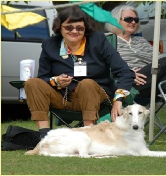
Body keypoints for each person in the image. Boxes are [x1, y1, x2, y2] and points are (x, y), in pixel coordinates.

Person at [24, 5, 135, 155]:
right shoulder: (50, 44)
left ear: (85, 28)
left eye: (79, 28)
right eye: (69, 27)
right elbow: (43, 77)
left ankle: (90, 138)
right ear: (59, 27)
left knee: (87, 84)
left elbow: (124, 71)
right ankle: (44, 140)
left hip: (95, 95)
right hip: (62, 96)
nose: (74, 31)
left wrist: (118, 100)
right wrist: (56, 81)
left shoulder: (98, 40)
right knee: (32, 83)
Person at [105, 5, 166, 119]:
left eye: (136, 20)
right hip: (127, 84)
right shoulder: (107, 40)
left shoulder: (140, 41)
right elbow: (102, 65)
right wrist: (129, 73)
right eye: (128, 19)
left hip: (149, 82)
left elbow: (159, 59)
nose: (133, 22)